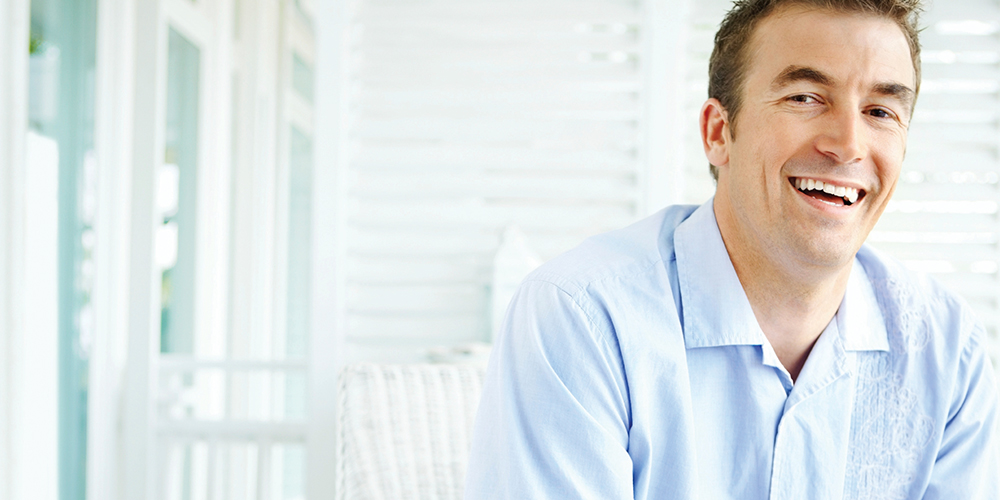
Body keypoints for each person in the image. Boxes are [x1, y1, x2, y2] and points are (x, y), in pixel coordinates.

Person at [464, 0, 1000, 498]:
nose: (848, 144)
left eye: (881, 111)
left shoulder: (949, 352)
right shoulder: (581, 318)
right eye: (805, 98)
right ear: (719, 132)